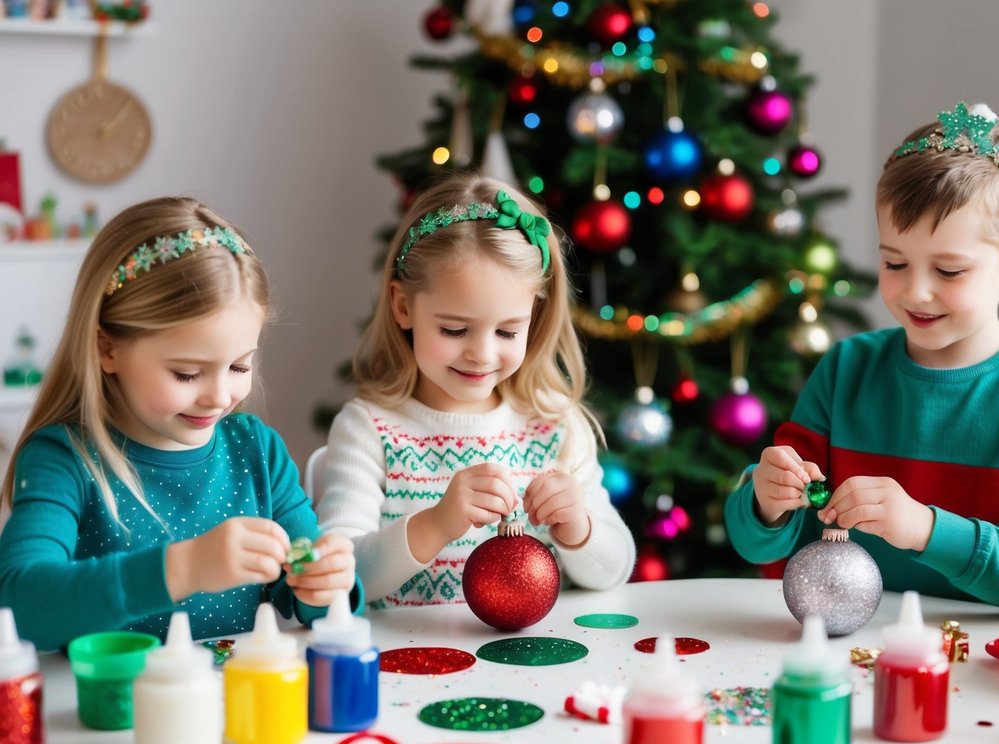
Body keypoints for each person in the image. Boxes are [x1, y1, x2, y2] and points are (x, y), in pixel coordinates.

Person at [725, 102, 999, 612]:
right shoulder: (845, 370)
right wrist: (767, 505)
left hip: (980, 666)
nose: (916, 292)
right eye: (894, 262)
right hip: (841, 649)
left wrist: (926, 529)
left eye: (948, 271)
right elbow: (759, 545)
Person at [0, 197, 359, 651]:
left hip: (238, 711)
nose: (219, 395)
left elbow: (315, 606)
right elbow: (20, 605)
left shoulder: (258, 453)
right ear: (107, 349)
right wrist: (182, 568)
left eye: (240, 367)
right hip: (112, 716)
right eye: (187, 373)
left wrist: (329, 584)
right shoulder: (64, 459)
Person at [318, 174, 635, 606]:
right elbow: (334, 581)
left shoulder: (555, 426)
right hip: (405, 670)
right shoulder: (368, 429)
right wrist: (436, 524)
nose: (481, 355)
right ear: (403, 305)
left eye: (507, 331)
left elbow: (614, 572)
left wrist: (578, 528)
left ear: (533, 317)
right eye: (454, 329)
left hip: (533, 666)